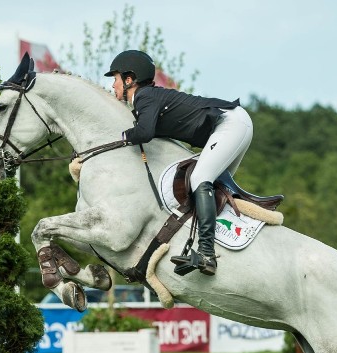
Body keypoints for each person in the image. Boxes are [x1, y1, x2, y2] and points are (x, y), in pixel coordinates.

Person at [105, 49, 253, 276]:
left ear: (129, 79)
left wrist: (123, 136)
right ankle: (222, 247)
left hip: (230, 124)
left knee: (199, 179)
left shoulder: (144, 97)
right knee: (213, 189)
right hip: (235, 123)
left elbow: (144, 133)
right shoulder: (147, 100)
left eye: (115, 79)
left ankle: (206, 254)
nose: (113, 85)